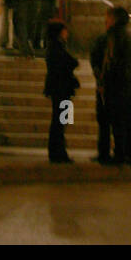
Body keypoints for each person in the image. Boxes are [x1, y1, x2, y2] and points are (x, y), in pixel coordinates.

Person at [101, 6, 131, 165]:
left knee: (118, 119)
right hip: (129, 82)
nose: (106, 20)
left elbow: (111, 60)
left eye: (108, 17)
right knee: (127, 117)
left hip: (117, 83)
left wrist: (107, 80)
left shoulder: (114, 37)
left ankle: (120, 153)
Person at [43, 19, 79, 164]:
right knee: (61, 121)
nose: (67, 33)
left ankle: (57, 150)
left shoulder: (55, 48)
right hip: (62, 89)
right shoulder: (57, 48)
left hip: (61, 89)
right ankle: (58, 151)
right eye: (64, 30)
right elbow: (70, 62)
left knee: (62, 120)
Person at [89, 17, 113, 164]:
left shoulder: (105, 40)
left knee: (104, 121)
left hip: (106, 84)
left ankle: (104, 152)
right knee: (64, 119)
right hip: (65, 97)